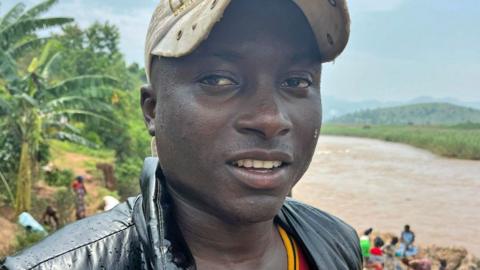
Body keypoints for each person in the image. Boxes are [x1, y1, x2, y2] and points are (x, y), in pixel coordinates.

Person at [2, 0, 362, 269]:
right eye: (218, 79)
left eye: (296, 81)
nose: (270, 119)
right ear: (153, 109)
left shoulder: (334, 243)